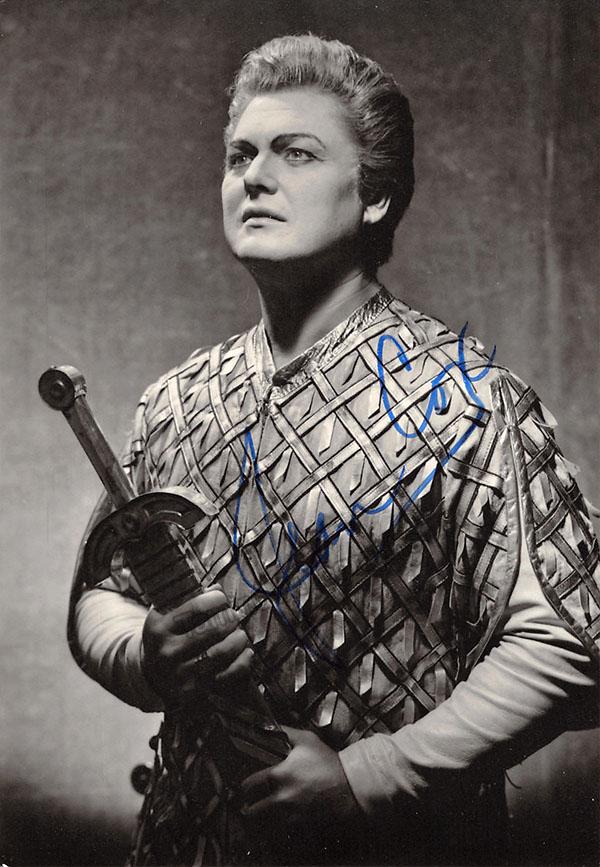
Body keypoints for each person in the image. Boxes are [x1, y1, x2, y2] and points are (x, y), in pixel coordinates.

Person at [69, 34, 599, 866]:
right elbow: (101, 594)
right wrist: (147, 650)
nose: (255, 176)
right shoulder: (175, 400)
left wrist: (370, 776)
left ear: (376, 196)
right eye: (240, 154)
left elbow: (574, 639)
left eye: (297, 153)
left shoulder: (470, 399)